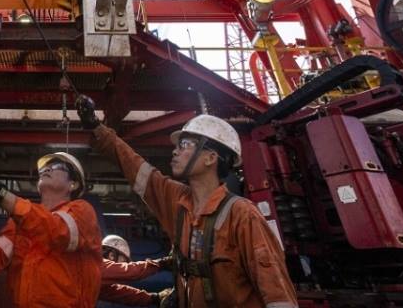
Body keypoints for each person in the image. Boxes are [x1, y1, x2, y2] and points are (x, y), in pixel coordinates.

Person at [77, 96, 298, 308]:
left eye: (185, 144)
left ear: (211, 158)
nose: (175, 151)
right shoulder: (178, 202)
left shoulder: (242, 215)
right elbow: (135, 166)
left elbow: (276, 292)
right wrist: (96, 127)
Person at [0, 151, 102, 307]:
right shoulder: (19, 221)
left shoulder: (83, 212)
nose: (47, 169)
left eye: (57, 166)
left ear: (73, 184)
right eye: (44, 169)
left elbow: (57, 232)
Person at [99, 234, 173, 307]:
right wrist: (162, 263)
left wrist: (154, 298)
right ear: (111, 255)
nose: (122, 264)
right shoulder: (98, 265)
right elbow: (130, 272)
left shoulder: (99, 284)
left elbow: (121, 295)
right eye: (122, 262)